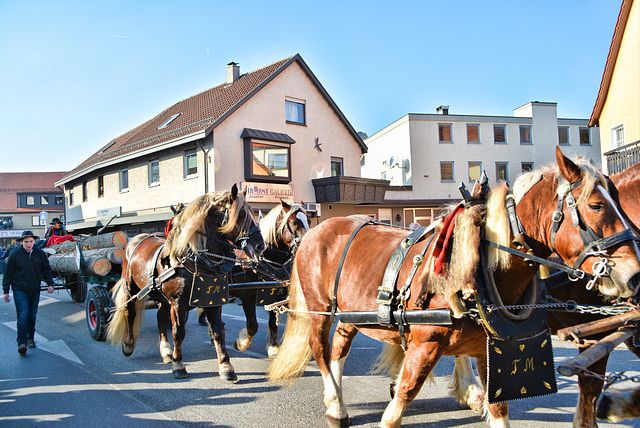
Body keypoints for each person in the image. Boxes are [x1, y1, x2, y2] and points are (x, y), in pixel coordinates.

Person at [2, 230, 55, 355]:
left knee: (32, 315)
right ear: (21, 242)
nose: (29, 244)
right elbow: (8, 273)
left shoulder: (40, 254)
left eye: (31, 241)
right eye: (26, 242)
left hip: (34, 289)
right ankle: (22, 343)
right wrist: (5, 291)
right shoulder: (15, 255)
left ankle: (30, 338)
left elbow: (46, 270)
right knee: (23, 315)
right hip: (20, 289)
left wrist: (50, 284)